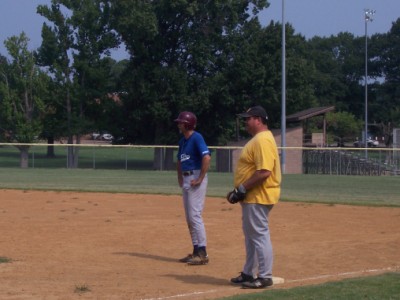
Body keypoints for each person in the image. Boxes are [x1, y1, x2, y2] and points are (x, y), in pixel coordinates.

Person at [227, 105, 281, 289]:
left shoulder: (262, 140)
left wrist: (241, 189)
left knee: (259, 235)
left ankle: (265, 276)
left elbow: (264, 171)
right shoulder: (259, 139)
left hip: (258, 195)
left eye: (248, 119)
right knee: (251, 236)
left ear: (258, 119)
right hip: (253, 196)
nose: (246, 122)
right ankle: (248, 273)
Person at [175, 111, 211, 265]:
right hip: (186, 178)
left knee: (195, 215)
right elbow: (179, 160)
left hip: (196, 178)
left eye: (181, 122)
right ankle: (196, 250)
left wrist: (201, 178)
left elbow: (206, 157)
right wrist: (180, 177)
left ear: (187, 124)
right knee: (189, 218)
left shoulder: (197, 137)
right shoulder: (183, 141)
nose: (178, 124)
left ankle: (203, 252)